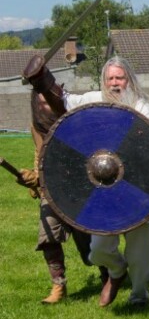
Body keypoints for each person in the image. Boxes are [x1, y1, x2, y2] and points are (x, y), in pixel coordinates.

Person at [24, 55, 149, 307]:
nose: (114, 83)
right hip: (103, 188)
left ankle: (139, 293)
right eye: (110, 77)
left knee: (141, 250)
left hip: (136, 188)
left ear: (128, 79)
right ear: (103, 80)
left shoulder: (140, 106)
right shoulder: (92, 100)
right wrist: (43, 81)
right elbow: (63, 101)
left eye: (119, 77)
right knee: (98, 250)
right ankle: (117, 271)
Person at [18, 90, 107, 304]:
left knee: (90, 242)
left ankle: (109, 274)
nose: (44, 106)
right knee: (47, 235)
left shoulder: (74, 121)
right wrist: (36, 176)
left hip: (80, 188)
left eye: (47, 101)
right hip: (51, 190)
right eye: (39, 103)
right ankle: (59, 285)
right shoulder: (36, 127)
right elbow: (39, 153)